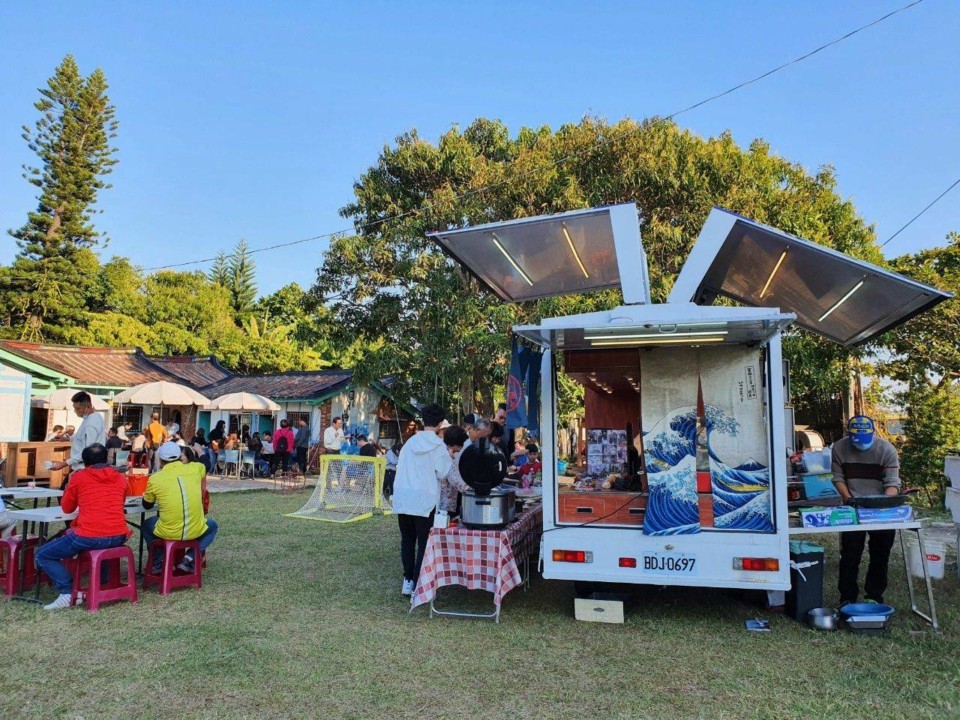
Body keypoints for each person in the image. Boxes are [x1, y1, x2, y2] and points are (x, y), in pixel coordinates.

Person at [35, 444, 129, 610]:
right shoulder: (121, 478)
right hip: (119, 535)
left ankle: (67, 592)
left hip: (90, 535)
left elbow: (67, 508)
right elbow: (119, 502)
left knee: (43, 554)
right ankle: (102, 582)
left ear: (85, 462)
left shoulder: (79, 477)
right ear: (107, 458)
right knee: (99, 543)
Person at [831, 415, 902, 606]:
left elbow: (892, 483)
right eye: (856, 440)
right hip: (853, 505)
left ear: (873, 432)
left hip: (880, 507)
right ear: (849, 434)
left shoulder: (886, 450)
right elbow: (838, 478)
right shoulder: (839, 448)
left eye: (865, 439)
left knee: (880, 553)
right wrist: (849, 499)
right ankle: (847, 597)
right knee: (849, 554)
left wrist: (883, 504)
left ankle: (874, 596)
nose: (861, 444)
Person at [392, 404, 451, 597]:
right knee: (424, 543)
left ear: (423, 420)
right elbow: (443, 472)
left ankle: (408, 580)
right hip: (425, 500)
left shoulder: (409, 443)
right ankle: (418, 583)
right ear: (441, 423)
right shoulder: (439, 446)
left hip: (404, 497)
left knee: (407, 540)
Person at [141, 442, 218, 574]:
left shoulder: (155, 479)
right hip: (195, 529)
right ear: (179, 456)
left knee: (146, 524)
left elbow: (146, 505)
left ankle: (159, 561)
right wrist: (199, 451)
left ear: (160, 460)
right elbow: (207, 464)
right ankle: (189, 558)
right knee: (212, 525)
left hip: (168, 532)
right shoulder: (194, 469)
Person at [49, 392, 107, 476]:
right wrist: (68, 438)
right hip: (81, 467)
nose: (76, 411)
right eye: (74, 408)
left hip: (84, 468)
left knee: (68, 488)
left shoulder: (91, 424)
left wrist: (63, 464)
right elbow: (81, 436)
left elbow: (87, 451)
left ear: (88, 406)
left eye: (78, 408)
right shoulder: (93, 417)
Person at [440, 426, 470, 515]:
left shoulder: (440, 450)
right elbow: (455, 480)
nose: (463, 446)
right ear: (453, 445)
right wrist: (472, 489)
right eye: (462, 444)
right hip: (444, 504)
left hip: (442, 502)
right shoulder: (446, 457)